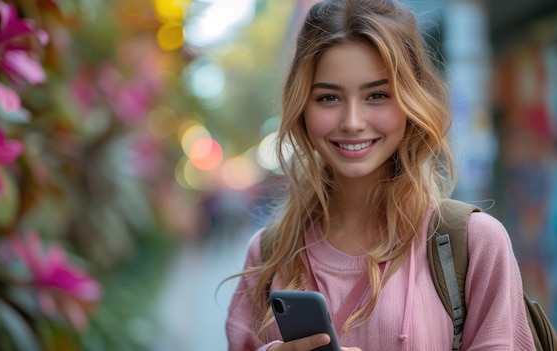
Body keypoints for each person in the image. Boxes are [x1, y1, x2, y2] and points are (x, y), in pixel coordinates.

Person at [225, 0, 536, 350]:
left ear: (410, 101)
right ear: (302, 108)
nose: (353, 122)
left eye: (377, 95)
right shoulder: (269, 253)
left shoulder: (473, 244)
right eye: (329, 97)